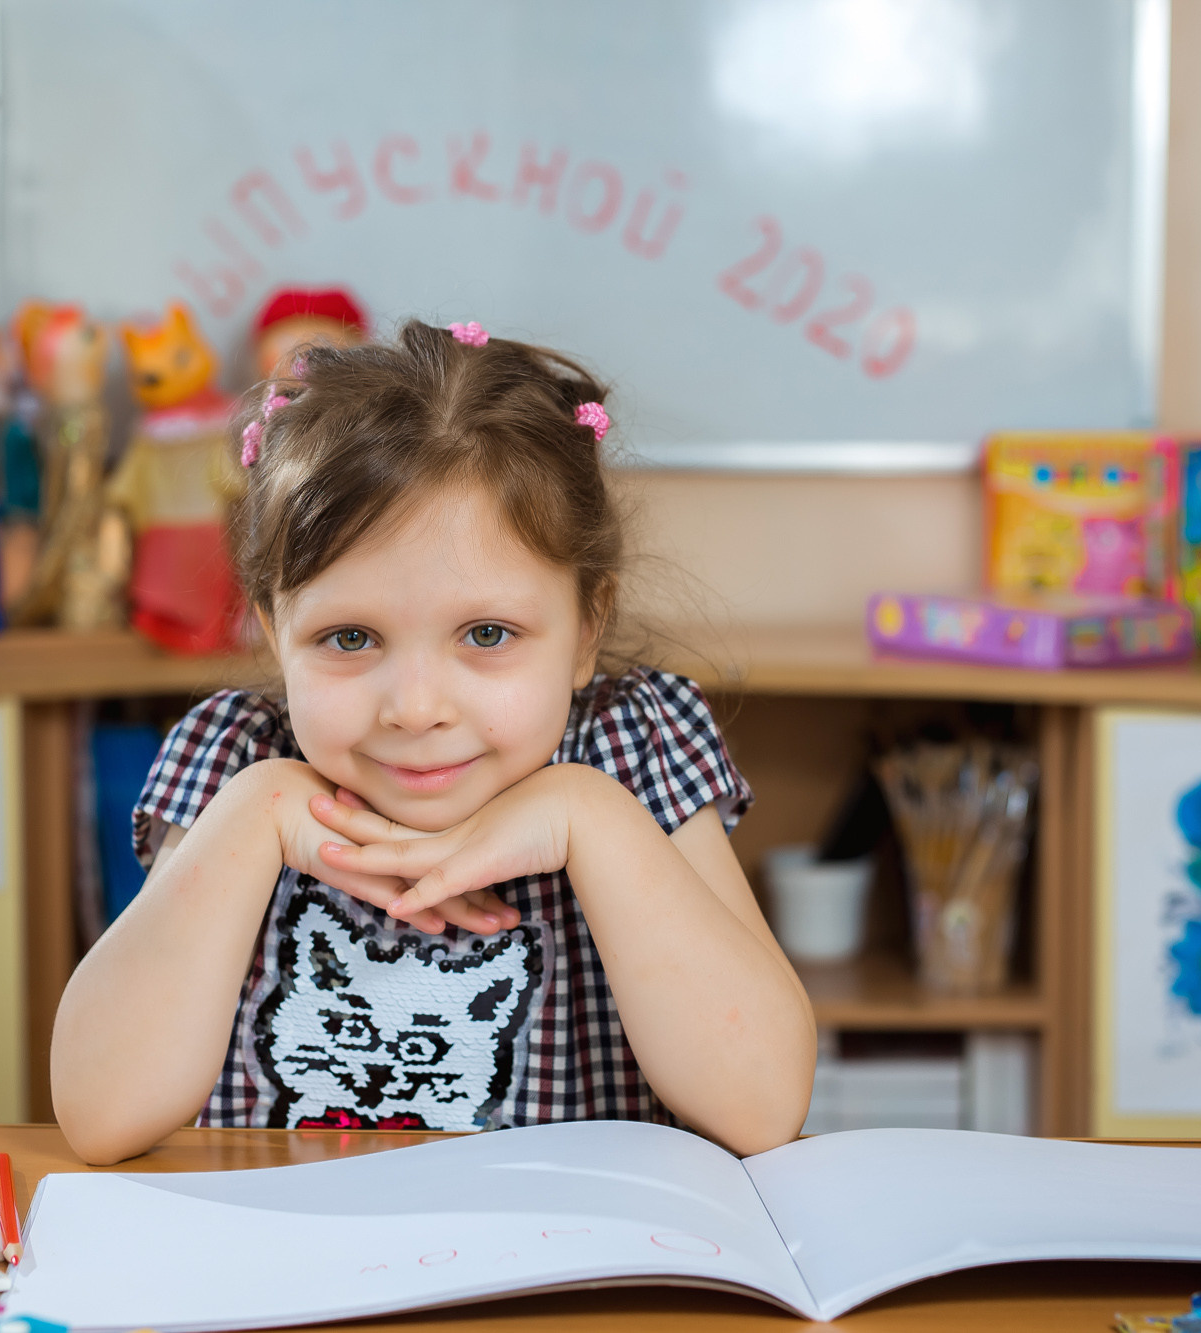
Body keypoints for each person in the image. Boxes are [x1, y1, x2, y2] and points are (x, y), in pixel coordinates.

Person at [51, 320, 816, 1164]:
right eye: (349, 639)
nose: (415, 709)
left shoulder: (630, 746)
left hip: (567, 1277)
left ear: (587, 627)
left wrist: (590, 817)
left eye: (487, 634)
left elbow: (762, 1106)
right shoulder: (235, 757)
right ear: (275, 632)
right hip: (302, 1273)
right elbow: (100, 1111)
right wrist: (253, 813)